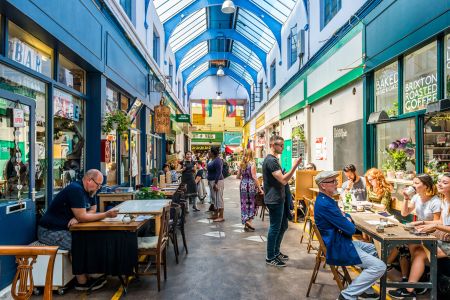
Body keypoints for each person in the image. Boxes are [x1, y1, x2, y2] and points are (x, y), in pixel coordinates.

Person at [38, 169, 119, 291]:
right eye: (98, 184)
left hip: (66, 228)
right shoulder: (76, 190)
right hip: (50, 231)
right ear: (88, 180)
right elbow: (84, 216)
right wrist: (105, 215)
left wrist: (80, 217)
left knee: (88, 239)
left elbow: (92, 210)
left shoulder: (90, 191)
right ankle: (82, 282)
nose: (99, 188)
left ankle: (91, 272)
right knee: (78, 244)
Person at [314, 171, 386, 300]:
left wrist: (345, 218)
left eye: (336, 181)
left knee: (377, 251)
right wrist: (346, 219)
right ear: (323, 185)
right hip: (338, 246)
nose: (337, 184)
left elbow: (346, 217)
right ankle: (347, 296)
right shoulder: (326, 204)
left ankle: (366, 289)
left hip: (342, 241)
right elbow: (351, 229)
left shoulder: (327, 200)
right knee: (379, 266)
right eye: (333, 182)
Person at [388, 173, 450, 299]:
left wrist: (434, 227)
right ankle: (414, 284)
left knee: (420, 254)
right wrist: (421, 222)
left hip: (445, 243)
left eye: (444, 182)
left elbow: (439, 225)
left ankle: (410, 289)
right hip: (442, 239)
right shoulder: (444, 200)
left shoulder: (437, 201)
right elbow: (441, 223)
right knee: (414, 246)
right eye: (439, 181)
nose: (439, 184)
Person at [263, 135, 301, 267]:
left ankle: (276, 252)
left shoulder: (274, 160)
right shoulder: (271, 161)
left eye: (283, 146)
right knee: (275, 228)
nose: (283, 148)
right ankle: (270, 256)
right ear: (272, 145)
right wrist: (295, 166)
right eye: (280, 146)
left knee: (283, 226)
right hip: (274, 200)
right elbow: (284, 180)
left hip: (279, 198)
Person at [237, 149, 263, 232]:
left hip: (243, 186)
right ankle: (249, 222)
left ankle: (246, 222)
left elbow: (237, 176)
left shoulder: (241, 164)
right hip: (251, 185)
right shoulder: (252, 164)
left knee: (244, 203)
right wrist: (259, 188)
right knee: (252, 203)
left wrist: (244, 177)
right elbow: (254, 177)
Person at [207, 146, 225, 222]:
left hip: (217, 181)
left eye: (209, 151)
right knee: (214, 198)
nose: (208, 152)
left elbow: (219, 172)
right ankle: (215, 214)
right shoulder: (212, 159)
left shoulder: (218, 160)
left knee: (218, 198)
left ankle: (221, 216)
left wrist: (216, 183)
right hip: (212, 181)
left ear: (213, 152)